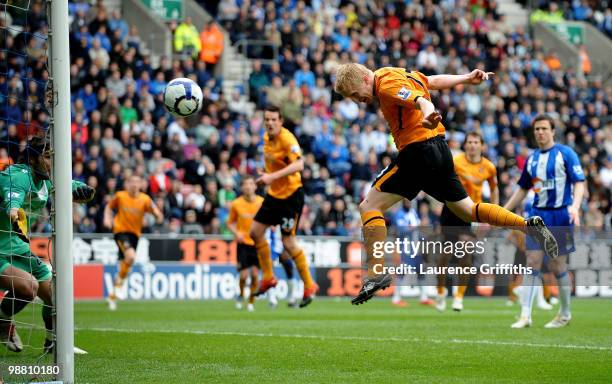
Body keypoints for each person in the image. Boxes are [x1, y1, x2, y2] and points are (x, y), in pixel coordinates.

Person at [332, 63, 559, 305]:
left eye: (356, 94)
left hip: (417, 151)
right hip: (440, 149)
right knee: (468, 210)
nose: (358, 101)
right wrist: (465, 78)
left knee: (369, 207)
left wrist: (428, 112)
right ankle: (527, 226)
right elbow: (430, 81)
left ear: (366, 78)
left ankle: (375, 274)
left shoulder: (386, 85)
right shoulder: (393, 72)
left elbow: (420, 99)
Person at [0, 136, 95, 353]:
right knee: (29, 287)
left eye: (53, 156)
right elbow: (11, 196)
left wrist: (83, 190)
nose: (52, 161)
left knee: (54, 293)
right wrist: (13, 209)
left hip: (18, 247)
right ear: (33, 159)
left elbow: (67, 185)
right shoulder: (18, 175)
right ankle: (3, 322)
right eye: (47, 156)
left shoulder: (47, 180)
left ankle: (54, 343)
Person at [504, 114, 585, 328]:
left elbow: (579, 183)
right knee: (532, 261)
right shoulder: (532, 159)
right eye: (537, 129)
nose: (539, 132)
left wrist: (575, 207)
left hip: (560, 215)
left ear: (552, 131)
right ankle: (525, 315)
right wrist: (502, 211)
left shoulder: (566, 154)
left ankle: (565, 313)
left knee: (558, 264)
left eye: (543, 128)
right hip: (538, 215)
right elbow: (522, 189)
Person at [249, 106, 318, 308]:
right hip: (274, 195)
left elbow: (299, 165)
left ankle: (309, 285)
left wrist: (271, 177)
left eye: (273, 120)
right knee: (255, 232)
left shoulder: (288, 140)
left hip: (291, 196)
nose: (269, 123)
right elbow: (275, 164)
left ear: (281, 121)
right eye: (266, 119)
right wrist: (267, 173)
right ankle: (269, 277)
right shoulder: (266, 138)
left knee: (288, 242)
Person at [435, 132, 498, 312]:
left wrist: (493, 211)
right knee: (445, 256)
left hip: (471, 212)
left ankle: (459, 296)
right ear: (465, 145)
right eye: (469, 142)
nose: (472, 145)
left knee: (466, 252)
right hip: (451, 209)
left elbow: (494, 189)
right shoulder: (456, 161)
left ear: (482, 146)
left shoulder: (489, 167)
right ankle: (440, 291)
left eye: (475, 142)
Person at [104, 174, 164, 311]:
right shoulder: (120, 196)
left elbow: (155, 211)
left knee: (128, 262)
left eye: (137, 182)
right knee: (130, 257)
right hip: (120, 231)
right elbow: (108, 207)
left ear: (141, 184)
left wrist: (158, 215)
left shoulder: (145, 199)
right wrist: (107, 219)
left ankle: (113, 295)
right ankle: (119, 285)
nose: (135, 184)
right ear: (127, 184)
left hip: (135, 234)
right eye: (132, 182)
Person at [227, 177, 263, 312]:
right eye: (245, 184)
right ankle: (241, 294)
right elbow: (230, 223)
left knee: (254, 275)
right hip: (243, 243)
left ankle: (251, 302)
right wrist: (237, 233)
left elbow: (268, 220)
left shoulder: (261, 202)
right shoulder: (236, 204)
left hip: (257, 243)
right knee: (243, 276)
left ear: (255, 186)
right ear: (242, 188)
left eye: (251, 184)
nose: (248, 187)